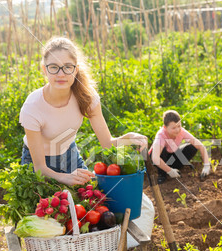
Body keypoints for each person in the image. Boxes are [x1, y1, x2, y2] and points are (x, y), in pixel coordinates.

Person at [19, 37, 147, 185]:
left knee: (96, 200)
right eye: (54, 67)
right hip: (38, 164)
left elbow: (107, 143)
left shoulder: (87, 96)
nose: (61, 74)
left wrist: (129, 138)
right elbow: (40, 168)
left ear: (76, 69)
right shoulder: (32, 107)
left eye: (68, 67)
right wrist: (64, 177)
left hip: (69, 155)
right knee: (50, 206)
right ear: (44, 69)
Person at [150, 110, 211, 184]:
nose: (177, 130)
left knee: (192, 147)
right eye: (173, 128)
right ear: (165, 127)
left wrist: (206, 165)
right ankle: (162, 174)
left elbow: (201, 146)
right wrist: (169, 171)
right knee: (161, 151)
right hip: (159, 159)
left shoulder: (182, 132)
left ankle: (176, 167)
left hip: (172, 155)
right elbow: (155, 158)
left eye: (179, 126)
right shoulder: (161, 135)